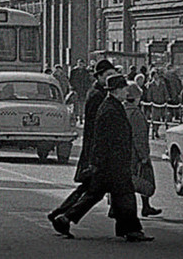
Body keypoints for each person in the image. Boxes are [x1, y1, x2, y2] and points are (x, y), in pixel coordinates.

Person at [50, 74, 153, 242]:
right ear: (117, 90)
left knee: (95, 195)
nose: (127, 91)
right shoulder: (111, 110)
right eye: (124, 88)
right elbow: (105, 140)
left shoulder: (112, 106)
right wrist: (100, 162)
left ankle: (65, 218)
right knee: (124, 196)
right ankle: (132, 230)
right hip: (113, 164)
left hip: (109, 163)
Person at [47, 59, 115, 221]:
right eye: (108, 75)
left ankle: (59, 213)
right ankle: (64, 216)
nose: (110, 78)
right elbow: (95, 127)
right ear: (98, 76)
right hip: (96, 151)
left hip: (96, 151)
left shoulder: (100, 93)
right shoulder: (97, 96)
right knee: (94, 190)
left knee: (90, 188)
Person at [123, 82, 161, 217]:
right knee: (141, 179)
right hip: (134, 154)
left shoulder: (121, 110)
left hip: (123, 152)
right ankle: (144, 206)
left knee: (125, 181)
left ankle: (145, 206)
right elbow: (139, 137)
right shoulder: (136, 114)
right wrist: (144, 155)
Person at [144, 69, 170, 139]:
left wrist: (167, 98)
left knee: (162, 119)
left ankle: (159, 130)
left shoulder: (162, 84)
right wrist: (150, 101)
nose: (156, 76)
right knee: (155, 119)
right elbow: (149, 95)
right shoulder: (150, 85)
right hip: (155, 104)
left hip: (162, 103)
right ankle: (155, 132)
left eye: (157, 74)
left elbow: (165, 92)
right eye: (154, 74)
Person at [68, 59, 92, 124]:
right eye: (79, 64)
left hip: (83, 90)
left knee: (82, 105)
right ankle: (75, 117)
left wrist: (87, 88)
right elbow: (70, 80)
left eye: (81, 64)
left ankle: (81, 118)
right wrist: (72, 87)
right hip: (76, 89)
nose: (80, 65)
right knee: (75, 104)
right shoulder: (73, 71)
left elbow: (89, 81)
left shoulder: (86, 72)